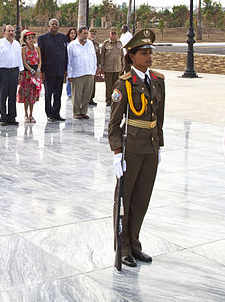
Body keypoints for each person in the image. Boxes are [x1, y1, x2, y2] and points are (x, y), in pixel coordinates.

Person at [108, 28, 165, 268]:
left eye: (150, 52)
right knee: (125, 199)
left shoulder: (158, 81)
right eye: (144, 53)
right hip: (131, 148)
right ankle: (123, 247)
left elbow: (159, 117)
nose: (149, 57)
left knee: (142, 199)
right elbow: (114, 124)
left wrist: (159, 145)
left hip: (150, 147)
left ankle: (135, 242)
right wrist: (117, 152)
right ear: (131, 56)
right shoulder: (124, 85)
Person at [37, 18, 68, 123]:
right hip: (48, 71)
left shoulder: (63, 37)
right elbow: (40, 56)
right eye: (52, 24)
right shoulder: (42, 38)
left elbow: (65, 54)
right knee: (48, 94)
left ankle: (56, 113)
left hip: (59, 70)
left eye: (56, 24)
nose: (54, 26)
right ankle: (49, 114)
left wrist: (65, 69)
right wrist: (42, 71)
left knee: (58, 93)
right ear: (49, 26)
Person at [0, 24, 22, 126]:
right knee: (3, 95)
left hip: (14, 71)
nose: (11, 33)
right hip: (3, 72)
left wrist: (20, 72)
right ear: (4, 32)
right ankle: (3, 118)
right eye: (8, 31)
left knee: (12, 95)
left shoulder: (17, 44)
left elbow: (19, 59)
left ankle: (12, 117)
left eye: (12, 31)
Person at [67, 26, 97, 119]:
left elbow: (94, 57)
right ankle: (76, 112)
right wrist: (70, 74)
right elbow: (69, 61)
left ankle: (84, 111)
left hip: (89, 72)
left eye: (87, 33)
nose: (86, 35)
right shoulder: (72, 45)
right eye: (84, 33)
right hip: (77, 74)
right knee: (77, 95)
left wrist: (94, 70)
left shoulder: (90, 43)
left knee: (87, 94)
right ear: (79, 34)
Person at [17, 30, 43, 123]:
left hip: (36, 73)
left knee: (33, 94)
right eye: (29, 38)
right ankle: (26, 114)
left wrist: (38, 70)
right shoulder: (24, 49)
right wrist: (31, 70)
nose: (31, 40)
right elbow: (24, 62)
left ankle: (31, 114)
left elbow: (40, 61)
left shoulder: (37, 49)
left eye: (33, 38)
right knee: (26, 94)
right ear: (25, 40)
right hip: (27, 73)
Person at [100, 27, 124, 107]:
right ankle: (108, 100)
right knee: (109, 86)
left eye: (115, 33)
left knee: (117, 86)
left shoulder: (120, 43)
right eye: (112, 33)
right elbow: (102, 56)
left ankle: (115, 100)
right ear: (109, 34)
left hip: (117, 68)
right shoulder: (106, 43)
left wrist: (122, 66)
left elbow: (122, 56)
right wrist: (102, 67)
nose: (114, 35)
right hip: (108, 68)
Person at [88, 27, 100, 105]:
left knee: (93, 84)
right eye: (91, 33)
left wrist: (98, 66)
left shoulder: (96, 44)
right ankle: (87, 99)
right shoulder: (86, 43)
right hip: (87, 66)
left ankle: (91, 98)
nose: (93, 35)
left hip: (94, 66)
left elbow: (98, 56)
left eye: (94, 34)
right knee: (87, 84)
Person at [64, 27, 78, 99]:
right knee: (69, 77)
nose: (73, 35)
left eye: (74, 33)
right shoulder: (66, 43)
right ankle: (69, 93)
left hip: (75, 62)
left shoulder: (77, 43)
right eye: (71, 33)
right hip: (68, 62)